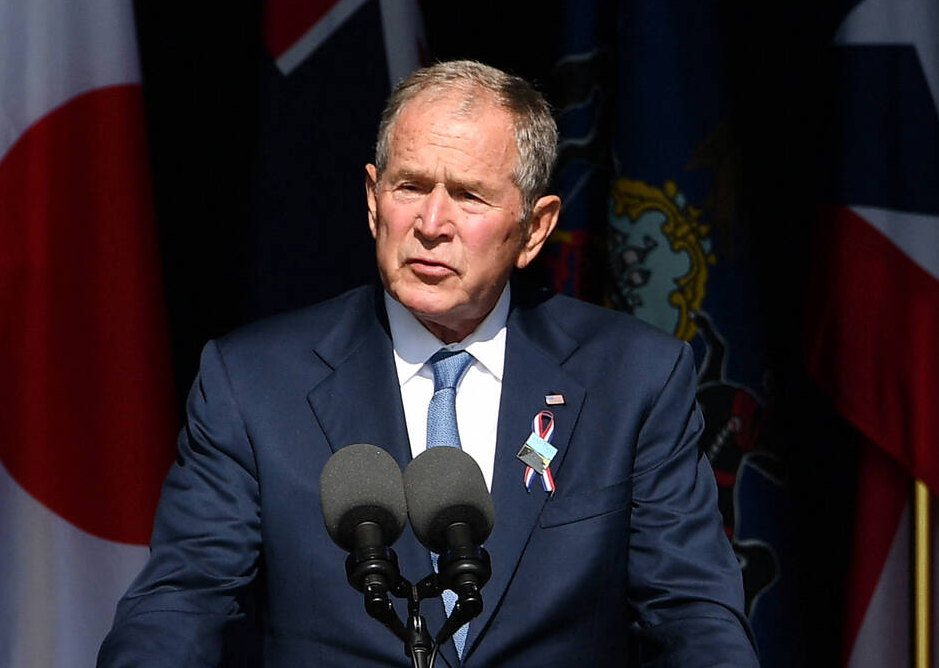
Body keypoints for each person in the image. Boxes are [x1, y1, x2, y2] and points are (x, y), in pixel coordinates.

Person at [98, 60, 758, 667]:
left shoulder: (634, 380)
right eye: (410, 186)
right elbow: (179, 605)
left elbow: (695, 615)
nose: (431, 222)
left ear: (535, 227)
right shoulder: (253, 383)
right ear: (371, 197)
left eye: (469, 197)